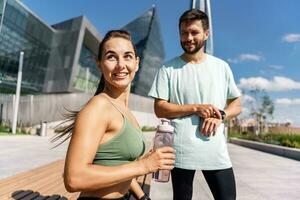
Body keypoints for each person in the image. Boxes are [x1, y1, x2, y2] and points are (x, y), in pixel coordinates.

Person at [54, 30, 175, 200]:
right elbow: (74, 178)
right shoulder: (99, 107)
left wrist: (141, 196)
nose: (120, 65)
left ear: (137, 63)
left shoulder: (125, 111)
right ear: (99, 63)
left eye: (127, 56)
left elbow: (119, 165)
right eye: (111, 57)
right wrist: (143, 166)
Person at [148, 9, 242, 200]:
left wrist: (221, 116)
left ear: (206, 34)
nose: (188, 37)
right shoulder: (167, 69)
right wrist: (195, 108)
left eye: (194, 32)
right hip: (181, 152)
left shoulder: (221, 67)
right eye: (184, 33)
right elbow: (160, 109)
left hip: (215, 151)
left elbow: (237, 105)